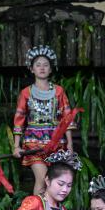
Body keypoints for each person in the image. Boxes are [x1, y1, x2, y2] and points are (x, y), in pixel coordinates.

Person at [12, 46, 75, 195]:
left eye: (46, 65)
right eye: (38, 65)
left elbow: (67, 118)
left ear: (50, 69)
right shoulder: (26, 93)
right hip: (34, 143)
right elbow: (19, 119)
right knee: (42, 179)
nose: (42, 68)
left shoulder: (59, 91)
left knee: (54, 182)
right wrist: (16, 146)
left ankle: (49, 209)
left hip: (56, 144)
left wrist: (70, 144)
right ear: (32, 69)